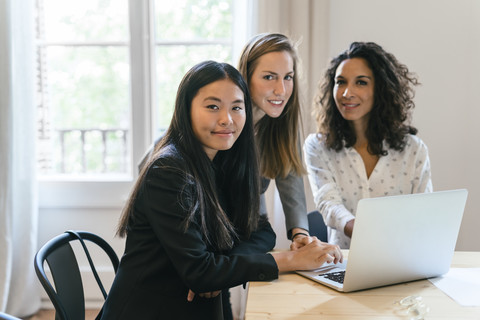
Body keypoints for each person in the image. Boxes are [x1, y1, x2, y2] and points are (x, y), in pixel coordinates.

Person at [99, 61, 343, 320]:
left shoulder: (224, 160)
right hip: (150, 310)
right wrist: (292, 260)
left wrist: (222, 268)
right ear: (186, 109)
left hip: (196, 307)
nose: (227, 119)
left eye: (236, 107)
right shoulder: (169, 170)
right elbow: (200, 272)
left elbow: (261, 232)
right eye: (212, 107)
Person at [304, 42, 433, 249]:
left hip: (402, 260)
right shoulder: (317, 146)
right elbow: (328, 203)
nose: (347, 93)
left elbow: (424, 213)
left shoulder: (414, 150)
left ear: (381, 89)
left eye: (361, 83)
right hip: (344, 263)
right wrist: (368, 234)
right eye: (341, 82)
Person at [237, 33, 313, 249]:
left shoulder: (279, 122)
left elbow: (291, 178)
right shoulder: (226, 123)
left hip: (253, 226)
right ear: (246, 76)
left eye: (288, 77)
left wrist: (300, 234)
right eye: (269, 77)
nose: (281, 90)